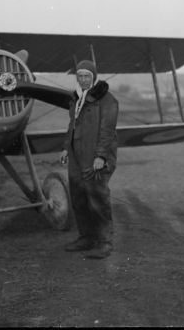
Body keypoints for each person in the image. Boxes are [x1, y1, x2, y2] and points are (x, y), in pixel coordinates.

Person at [60, 60, 119, 259]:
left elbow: (107, 130)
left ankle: (104, 243)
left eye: (87, 76)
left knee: (97, 199)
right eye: (80, 76)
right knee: (78, 197)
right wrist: (66, 148)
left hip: (95, 156)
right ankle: (86, 238)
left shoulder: (107, 100)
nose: (83, 80)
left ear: (93, 77)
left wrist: (101, 156)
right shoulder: (77, 99)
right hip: (77, 155)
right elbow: (72, 126)